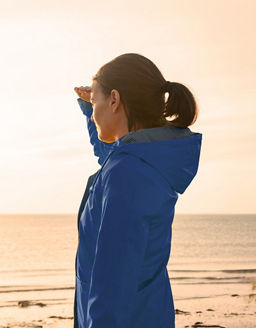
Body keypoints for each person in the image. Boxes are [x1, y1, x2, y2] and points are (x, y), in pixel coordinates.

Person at [73, 53, 202, 328]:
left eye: (96, 101)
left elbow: (113, 286)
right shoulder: (140, 163)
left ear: (115, 100)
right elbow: (111, 155)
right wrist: (89, 110)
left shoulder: (126, 175)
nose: (94, 110)